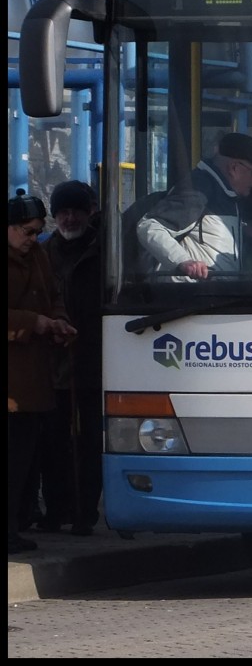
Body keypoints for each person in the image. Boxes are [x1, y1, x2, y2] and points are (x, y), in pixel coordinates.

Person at [8, 189, 77, 554]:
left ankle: (17, 523)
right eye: (25, 231)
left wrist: (59, 322)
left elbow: (55, 296)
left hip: (33, 379)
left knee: (23, 459)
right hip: (13, 381)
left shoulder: (39, 257)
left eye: (36, 232)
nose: (32, 239)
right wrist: (32, 322)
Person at [37, 180, 103, 536]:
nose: (69, 218)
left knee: (90, 441)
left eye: (76, 210)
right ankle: (56, 509)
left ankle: (84, 512)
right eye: (63, 211)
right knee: (53, 443)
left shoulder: (103, 251)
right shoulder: (45, 254)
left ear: (89, 212)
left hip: (94, 362)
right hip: (54, 364)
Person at [137, 132, 252, 280]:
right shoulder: (200, 189)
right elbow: (150, 226)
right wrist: (183, 262)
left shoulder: (225, 193)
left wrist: (244, 230)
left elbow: (205, 226)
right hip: (192, 297)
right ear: (234, 168)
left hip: (215, 295)